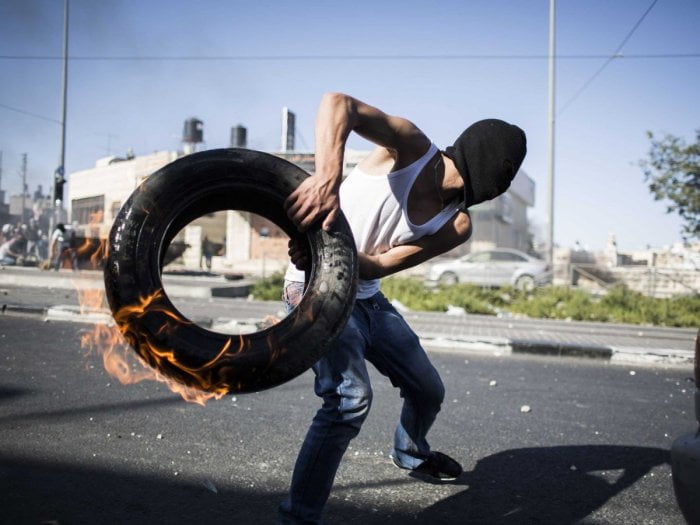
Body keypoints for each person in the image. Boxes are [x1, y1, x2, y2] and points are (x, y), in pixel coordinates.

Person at [278, 92, 527, 523]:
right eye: (503, 174)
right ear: (485, 158)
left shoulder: (457, 224)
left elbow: (380, 264)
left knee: (428, 389)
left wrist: (340, 253)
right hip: (315, 287)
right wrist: (326, 180)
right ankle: (297, 519)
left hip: (368, 295)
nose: (499, 187)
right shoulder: (409, 148)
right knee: (349, 400)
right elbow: (338, 104)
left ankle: (410, 453)